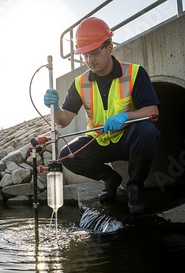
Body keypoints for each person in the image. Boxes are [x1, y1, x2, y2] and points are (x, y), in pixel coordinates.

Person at [43, 17, 160, 214]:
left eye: (94, 52)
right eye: (85, 55)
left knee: (148, 132)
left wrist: (125, 117)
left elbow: (153, 113)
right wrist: (54, 109)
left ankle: (135, 187)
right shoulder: (79, 83)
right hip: (98, 140)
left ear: (109, 47)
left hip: (128, 139)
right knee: (66, 156)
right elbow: (64, 121)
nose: (90, 60)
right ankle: (110, 179)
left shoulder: (134, 73)